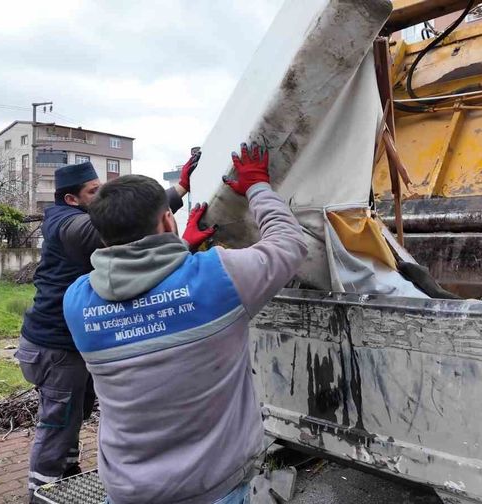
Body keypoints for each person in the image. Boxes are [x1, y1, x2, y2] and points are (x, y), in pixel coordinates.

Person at [62, 143, 307, 504]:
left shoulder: (77, 302)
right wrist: (257, 185)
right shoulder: (219, 278)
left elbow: (147, 296)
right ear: (167, 221)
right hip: (211, 488)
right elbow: (289, 244)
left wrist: (181, 249)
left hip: (127, 490)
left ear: (102, 235)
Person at [15, 153, 202, 503]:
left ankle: (63, 480)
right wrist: (177, 230)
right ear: (71, 199)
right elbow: (118, 225)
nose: (101, 199)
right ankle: (39, 494)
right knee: (57, 427)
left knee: (72, 418)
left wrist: (178, 190)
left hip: (66, 345)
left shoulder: (76, 216)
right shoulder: (63, 221)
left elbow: (128, 225)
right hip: (55, 348)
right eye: (93, 191)